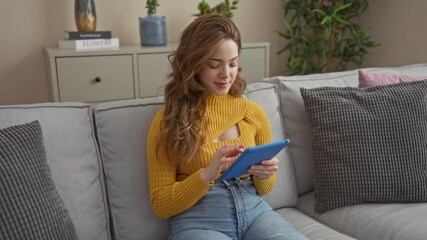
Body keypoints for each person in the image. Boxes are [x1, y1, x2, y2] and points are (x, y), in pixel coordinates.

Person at [147, 14, 308, 240]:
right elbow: (161, 204)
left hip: (255, 212)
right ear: (194, 65)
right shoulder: (169, 120)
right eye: (214, 65)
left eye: (233, 64)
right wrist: (205, 176)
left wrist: (265, 173)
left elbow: (265, 189)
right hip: (198, 220)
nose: (226, 74)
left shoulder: (254, 114)